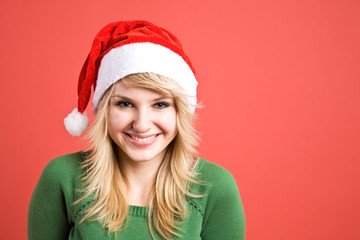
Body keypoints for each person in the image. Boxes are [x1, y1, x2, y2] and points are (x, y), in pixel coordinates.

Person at [27, 20, 245, 240]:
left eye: (160, 105)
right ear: (104, 110)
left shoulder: (215, 187)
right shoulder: (63, 178)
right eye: (125, 104)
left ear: (180, 112)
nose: (141, 124)